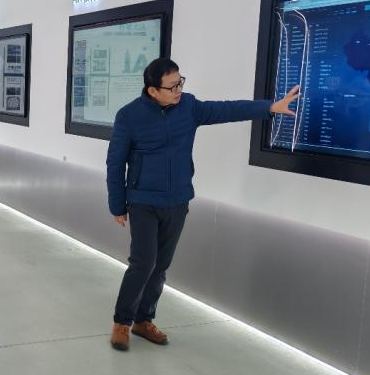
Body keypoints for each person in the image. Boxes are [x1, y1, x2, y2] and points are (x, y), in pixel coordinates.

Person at [106, 57, 299, 351]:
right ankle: (122, 322)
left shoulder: (189, 107)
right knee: (143, 262)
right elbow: (115, 162)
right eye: (172, 87)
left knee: (161, 265)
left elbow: (226, 109)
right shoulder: (129, 116)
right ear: (152, 90)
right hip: (143, 200)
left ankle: (144, 320)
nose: (178, 90)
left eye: (180, 83)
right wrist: (117, 205)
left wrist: (269, 107)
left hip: (178, 200)